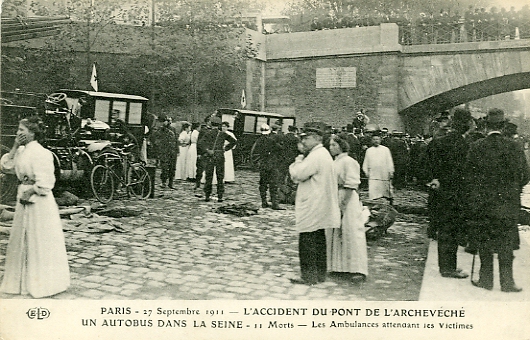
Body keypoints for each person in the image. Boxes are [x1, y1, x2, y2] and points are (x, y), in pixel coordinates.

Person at [0, 116, 70, 298]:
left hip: (39, 203)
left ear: (32, 133)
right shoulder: (21, 151)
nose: (18, 133)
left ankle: (43, 283)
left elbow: (47, 183)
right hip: (23, 198)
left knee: (39, 240)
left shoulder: (42, 153)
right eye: (18, 130)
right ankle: (19, 282)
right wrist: (14, 147)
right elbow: (6, 166)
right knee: (21, 240)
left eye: (21, 131)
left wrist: (31, 191)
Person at [465, 108, 530, 292]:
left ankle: (485, 280)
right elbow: (525, 175)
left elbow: (468, 177)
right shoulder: (515, 147)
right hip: (508, 204)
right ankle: (507, 282)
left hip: (483, 204)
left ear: (485, 126)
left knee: (485, 242)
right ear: (503, 126)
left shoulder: (477, 146)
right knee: (506, 243)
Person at [425, 107, 476, 279]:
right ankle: (448, 268)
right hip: (456, 194)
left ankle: (447, 266)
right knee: (451, 231)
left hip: (442, 194)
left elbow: (424, 162)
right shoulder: (463, 144)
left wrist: (433, 178)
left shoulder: (440, 141)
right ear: (467, 124)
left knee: (446, 230)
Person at [289, 126, 340, 285]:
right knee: (318, 238)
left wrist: (297, 161)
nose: (303, 141)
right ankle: (319, 274)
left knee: (307, 239)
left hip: (313, 203)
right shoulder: (323, 154)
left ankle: (308, 276)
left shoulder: (315, 156)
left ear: (317, 139)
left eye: (306, 138)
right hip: (320, 202)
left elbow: (298, 174)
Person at [326, 134, 368, 283]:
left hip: (347, 199)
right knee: (337, 233)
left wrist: (343, 205)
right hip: (336, 196)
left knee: (350, 231)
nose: (331, 148)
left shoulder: (349, 161)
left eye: (334, 145)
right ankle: (339, 267)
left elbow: (351, 184)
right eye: (330, 145)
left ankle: (357, 269)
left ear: (342, 145)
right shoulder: (335, 161)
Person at [196, 116, 236, 202]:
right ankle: (220, 196)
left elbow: (200, 143)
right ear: (219, 125)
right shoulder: (223, 134)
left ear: (211, 124)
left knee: (209, 176)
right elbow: (234, 141)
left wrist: (207, 150)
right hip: (220, 155)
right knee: (220, 176)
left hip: (210, 156)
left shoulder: (208, 133)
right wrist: (226, 149)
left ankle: (207, 195)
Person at [253, 124, 284, 210]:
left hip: (263, 165)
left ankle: (264, 202)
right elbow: (281, 149)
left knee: (263, 184)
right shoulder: (271, 140)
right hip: (272, 164)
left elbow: (254, 153)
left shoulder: (258, 141)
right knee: (273, 184)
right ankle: (274, 203)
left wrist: (257, 163)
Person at [362, 132, 394, 201]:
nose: (376, 141)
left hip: (384, 173)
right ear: (372, 140)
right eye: (374, 139)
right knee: (374, 189)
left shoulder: (385, 150)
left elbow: (389, 161)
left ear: (380, 140)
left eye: (377, 139)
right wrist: (366, 171)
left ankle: (388, 200)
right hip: (373, 173)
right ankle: (374, 201)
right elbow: (366, 162)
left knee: (386, 189)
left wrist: (391, 171)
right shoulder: (369, 150)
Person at [152, 115, 178, 188]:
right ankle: (163, 182)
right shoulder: (159, 130)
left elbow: (176, 140)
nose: (166, 122)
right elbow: (156, 140)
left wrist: (177, 150)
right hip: (164, 151)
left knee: (172, 168)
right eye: (165, 121)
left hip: (172, 151)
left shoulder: (173, 129)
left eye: (167, 121)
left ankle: (171, 182)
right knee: (164, 168)